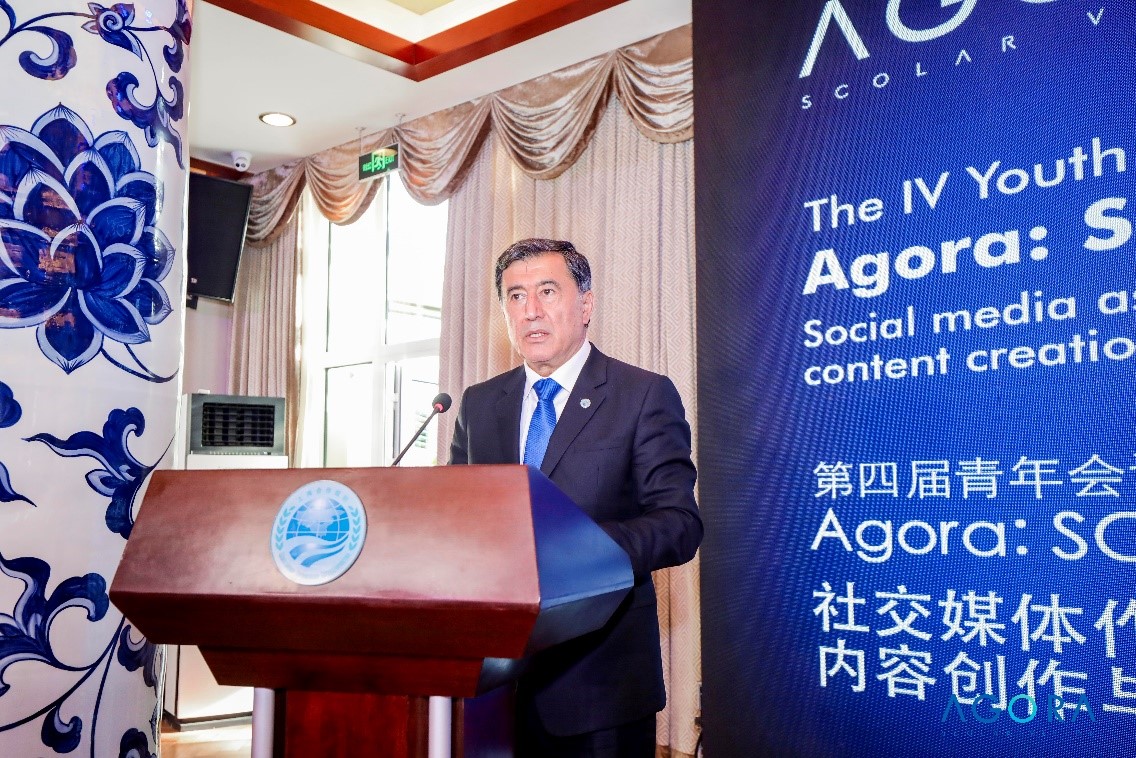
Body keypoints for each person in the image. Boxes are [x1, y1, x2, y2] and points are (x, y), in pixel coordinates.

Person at [449, 238, 702, 757]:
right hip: (493, 685)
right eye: (515, 296)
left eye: (547, 291)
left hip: (599, 687)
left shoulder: (642, 395)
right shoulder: (479, 403)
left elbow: (679, 523)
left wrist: (573, 549)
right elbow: (457, 515)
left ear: (586, 304)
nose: (531, 310)